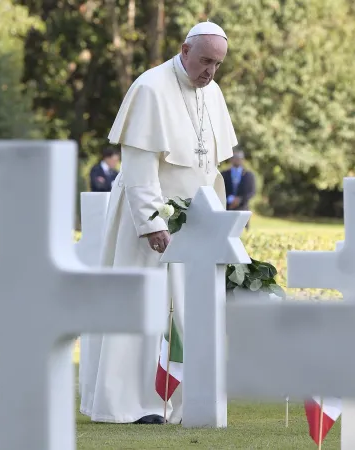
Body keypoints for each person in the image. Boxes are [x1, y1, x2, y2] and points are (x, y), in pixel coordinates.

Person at [79, 21, 237, 425]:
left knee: (191, 312)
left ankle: (185, 402)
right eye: (205, 61)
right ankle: (132, 404)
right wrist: (151, 223)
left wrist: (220, 220)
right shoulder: (150, 87)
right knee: (141, 307)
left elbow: (210, 167)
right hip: (148, 222)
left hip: (197, 225)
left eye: (217, 65)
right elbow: (139, 165)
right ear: (185, 50)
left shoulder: (212, 92)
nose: (210, 72)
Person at [221, 149, 255, 228]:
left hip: (243, 209)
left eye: (240, 157)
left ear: (243, 159)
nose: (237, 159)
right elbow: (220, 189)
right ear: (231, 159)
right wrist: (230, 199)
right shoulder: (224, 174)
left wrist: (239, 200)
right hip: (228, 209)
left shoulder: (249, 175)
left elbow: (252, 192)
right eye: (235, 157)